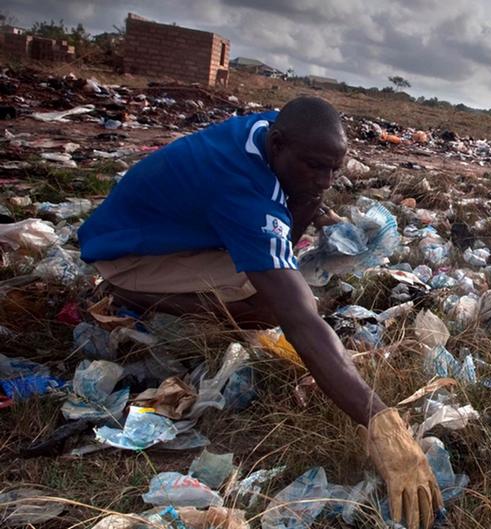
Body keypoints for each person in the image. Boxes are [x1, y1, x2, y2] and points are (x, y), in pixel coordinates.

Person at [78, 96, 442, 529]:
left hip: (169, 231)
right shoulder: (242, 187)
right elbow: (298, 317)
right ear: (279, 144)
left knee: (279, 266)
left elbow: (294, 208)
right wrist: (380, 419)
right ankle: (129, 295)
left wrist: (314, 206)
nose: (325, 179)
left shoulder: (275, 135)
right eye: (314, 166)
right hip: (126, 254)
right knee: (267, 303)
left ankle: (161, 286)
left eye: (334, 169)